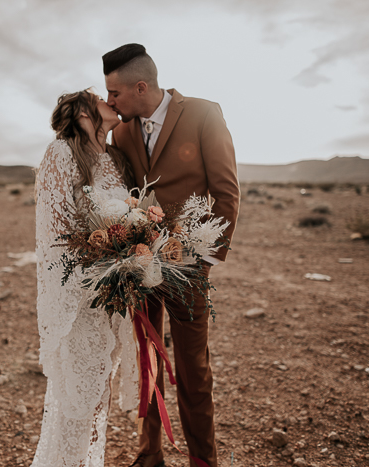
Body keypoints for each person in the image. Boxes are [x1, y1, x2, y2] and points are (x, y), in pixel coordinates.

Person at [103, 44, 240, 467]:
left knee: (194, 371)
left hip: (188, 270)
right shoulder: (122, 132)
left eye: (115, 94)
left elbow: (226, 192)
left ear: (140, 86)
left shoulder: (203, 114)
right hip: (139, 264)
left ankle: (204, 461)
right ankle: (150, 454)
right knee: (147, 361)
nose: (110, 103)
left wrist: (203, 259)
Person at [32, 89, 138, 467]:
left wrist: (133, 256)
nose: (108, 97)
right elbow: (55, 232)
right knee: (78, 395)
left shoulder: (115, 161)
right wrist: (96, 264)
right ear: (80, 114)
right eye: (96, 96)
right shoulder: (61, 153)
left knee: (98, 392)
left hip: (114, 295)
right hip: (80, 297)